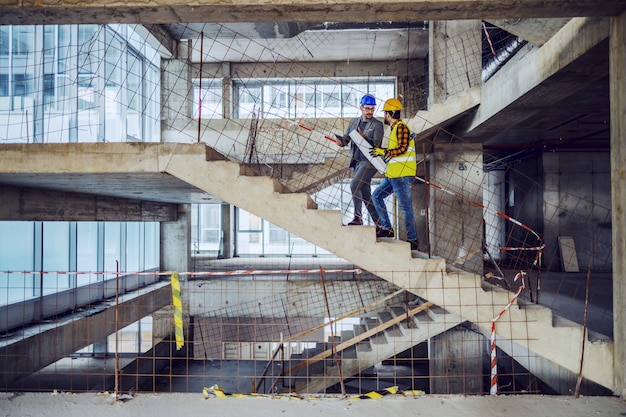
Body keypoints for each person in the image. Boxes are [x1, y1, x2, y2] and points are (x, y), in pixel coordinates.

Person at [369, 97, 420, 251]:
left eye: (385, 113)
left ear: (390, 114)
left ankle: (413, 239)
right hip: (393, 175)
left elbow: (402, 149)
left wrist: (383, 151)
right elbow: (394, 153)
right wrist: (382, 156)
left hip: (402, 176)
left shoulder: (401, 127)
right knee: (376, 196)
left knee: (406, 208)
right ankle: (387, 228)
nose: (384, 116)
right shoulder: (393, 129)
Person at [335, 94, 384, 227]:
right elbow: (347, 139)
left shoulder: (377, 125)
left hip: (369, 162)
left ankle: (358, 217)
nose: (370, 112)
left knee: (354, 185)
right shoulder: (353, 122)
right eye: (367, 108)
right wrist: (341, 142)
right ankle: (381, 224)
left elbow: (376, 145)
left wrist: (363, 137)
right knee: (366, 194)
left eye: (372, 109)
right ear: (361, 108)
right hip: (356, 162)